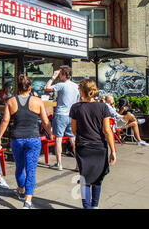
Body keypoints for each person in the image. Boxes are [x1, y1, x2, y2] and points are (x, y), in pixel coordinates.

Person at [0, 75, 52, 209]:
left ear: (18, 87)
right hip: (33, 139)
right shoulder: (37, 101)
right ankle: (27, 201)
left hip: (17, 139)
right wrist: (50, 133)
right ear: (30, 87)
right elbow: (45, 121)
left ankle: (21, 191)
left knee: (20, 168)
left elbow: (5, 121)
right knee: (31, 170)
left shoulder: (11, 101)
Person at [70, 79, 116, 209]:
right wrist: (113, 150)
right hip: (99, 146)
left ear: (81, 91)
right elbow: (107, 131)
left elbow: (74, 129)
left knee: (84, 179)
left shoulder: (75, 107)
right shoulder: (103, 107)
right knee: (98, 178)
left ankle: (87, 207)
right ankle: (95, 206)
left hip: (83, 146)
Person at [44, 65, 79, 170]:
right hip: (71, 115)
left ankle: (59, 164)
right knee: (73, 138)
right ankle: (78, 164)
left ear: (63, 74)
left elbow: (46, 88)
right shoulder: (76, 86)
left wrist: (53, 77)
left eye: (60, 74)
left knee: (58, 139)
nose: (59, 76)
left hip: (61, 114)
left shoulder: (62, 85)